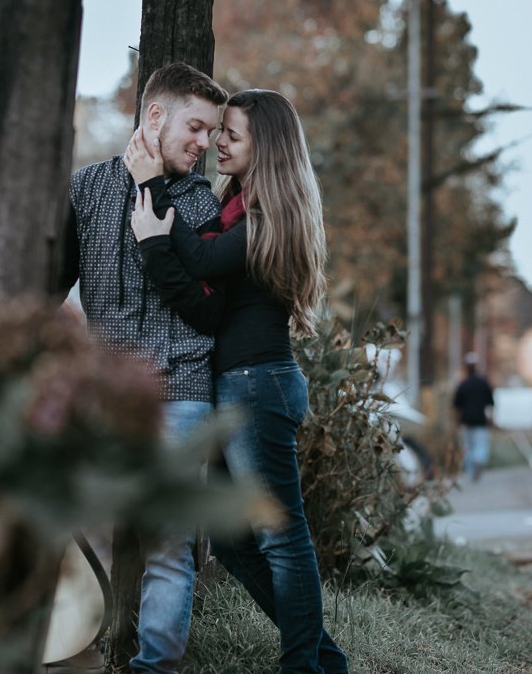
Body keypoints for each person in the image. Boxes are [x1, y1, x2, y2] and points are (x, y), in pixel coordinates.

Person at [127, 89, 347, 674]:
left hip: (259, 386)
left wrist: (150, 190)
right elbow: (199, 263)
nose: (218, 143)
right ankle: (323, 657)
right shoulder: (236, 207)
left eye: (232, 134)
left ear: (264, 148)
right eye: (218, 130)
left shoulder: (268, 216)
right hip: (242, 385)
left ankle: (303, 666)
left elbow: (199, 262)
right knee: (228, 537)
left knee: (280, 535)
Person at [57, 62, 228, 674]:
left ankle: (154, 669)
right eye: (196, 127)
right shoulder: (85, 189)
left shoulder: (198, 200)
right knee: (91, 532)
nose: (204, 143)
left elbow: (205, 302)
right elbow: (54, 283)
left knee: (167, 545)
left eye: (210, 132)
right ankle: (83, 654)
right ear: (155, 116)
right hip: (107, 398)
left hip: (180, 391)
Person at [452, 352, 494, 482]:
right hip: (481, 421)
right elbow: (491, 404)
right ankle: (478, 463)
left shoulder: (462, 384)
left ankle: (470, 472)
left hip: (465, 422)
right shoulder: (483, 383)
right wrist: (491, 419)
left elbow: (456, 406)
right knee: (480, 445)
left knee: (467, 447)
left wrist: (454, 423)